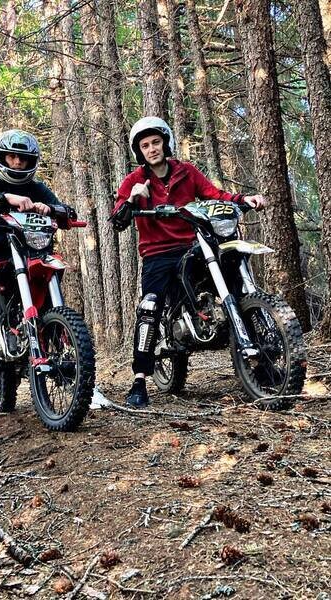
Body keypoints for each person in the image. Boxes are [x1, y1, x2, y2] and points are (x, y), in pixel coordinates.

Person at [111, 116, 267, 408]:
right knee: (150, 307)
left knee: (233, 282)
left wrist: (244, 199)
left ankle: (259, 362)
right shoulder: (134, 181)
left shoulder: (187, 171)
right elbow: (118, 221)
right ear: (139, 151)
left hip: (194, 245)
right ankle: (140, 380)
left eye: (156, 142)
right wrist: (132, 199)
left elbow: (215, 195)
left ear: (165, 143)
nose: (152, 149)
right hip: (157, 252)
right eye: (145, 145)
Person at [0, 129, 70, 407]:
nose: (17, 162)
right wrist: (5, 199)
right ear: (2, 157)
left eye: (23, 158)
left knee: (49, 306)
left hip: (31, 259)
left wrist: (52, 209)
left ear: (32, 162)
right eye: (11, 157)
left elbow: (66, 211)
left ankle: (64, 359)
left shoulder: (38, 189)